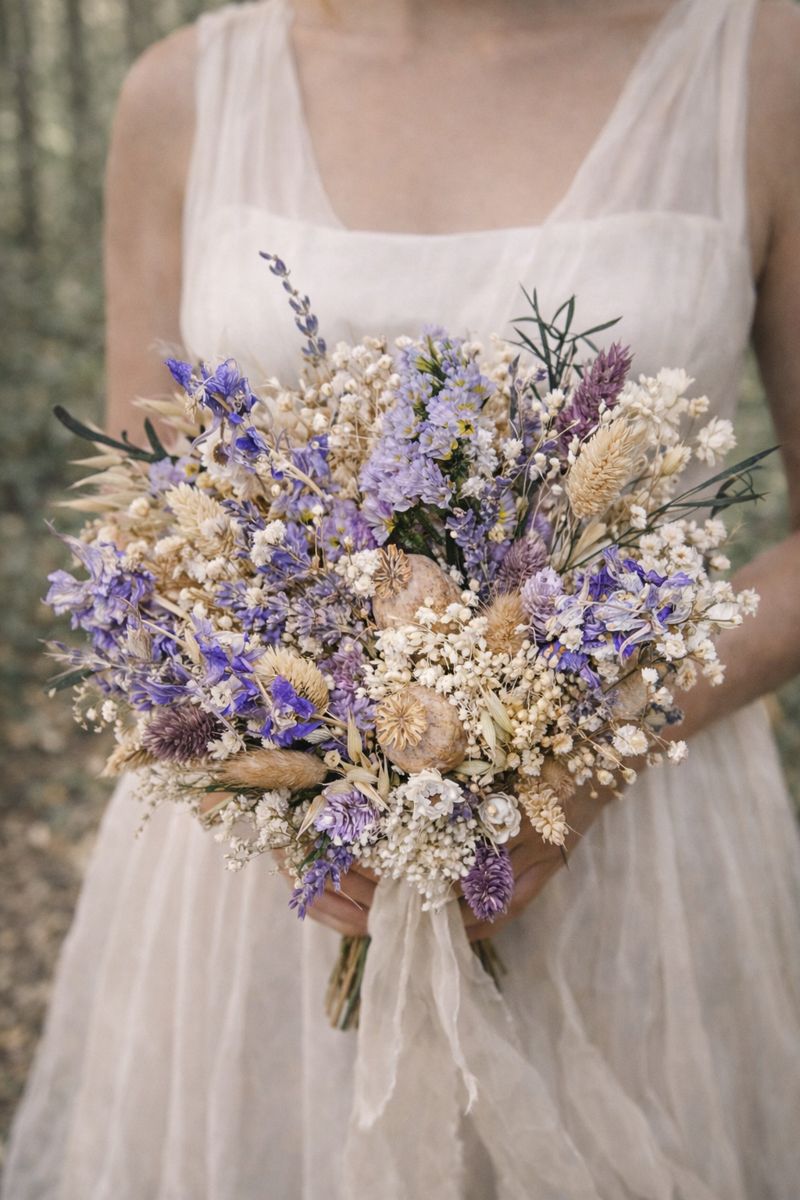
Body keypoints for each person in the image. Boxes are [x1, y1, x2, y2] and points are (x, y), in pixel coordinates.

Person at [4, 0, 800, 1196]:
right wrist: (303, 774)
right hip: (270, 885)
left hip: (644, 844)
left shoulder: (763, 64)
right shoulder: (183, 94)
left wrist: (586, 752)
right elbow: (142, 527)